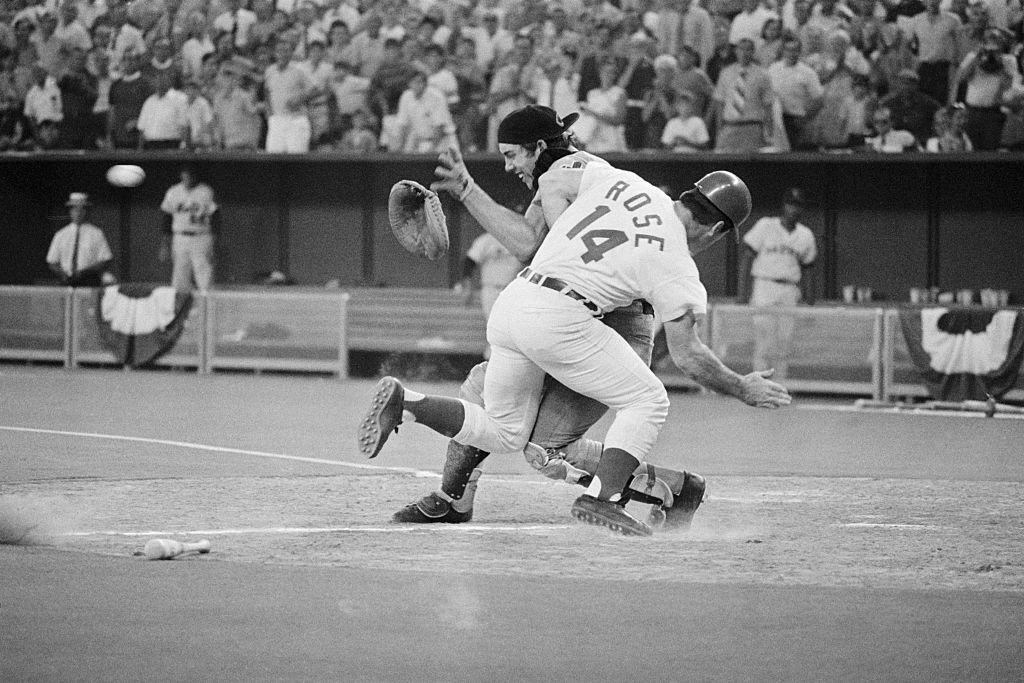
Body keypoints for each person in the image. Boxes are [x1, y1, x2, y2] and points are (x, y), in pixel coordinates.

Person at [360, 105, 791, 536]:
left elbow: (540, 216)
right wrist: (742, 388)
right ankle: (588, 499)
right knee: (646, 402)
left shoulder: (616, 179)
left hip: (532, 305)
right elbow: (688, 355)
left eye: (514, 156)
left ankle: (409, 404)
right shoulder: (675, 260)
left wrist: (473, 190)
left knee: (526, 440)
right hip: (568, 316)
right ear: (716, 232)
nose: (510, 166)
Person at [739, 187, 817, 381]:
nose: (793, 209)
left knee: (785, 341)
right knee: (763, 340)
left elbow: (808, 268)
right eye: (791, 204)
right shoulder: (766, 225)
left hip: (790, 289)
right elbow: (747, 258)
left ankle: (780, 383)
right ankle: (759, 383)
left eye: (798, 205)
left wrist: (810, 299)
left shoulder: (806, 235)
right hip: (765, 285)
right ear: (784, 206)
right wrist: (742, 293)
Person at [158, 165, 217, 292]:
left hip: (201, 236)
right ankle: (182, 310)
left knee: (204, 276)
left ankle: (206, 309)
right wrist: (164, 245)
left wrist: (214, 242)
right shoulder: (173, 192)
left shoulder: (206, 191)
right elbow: (166, 219)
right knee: (179, 278)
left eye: (191, 174)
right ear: (181, 175)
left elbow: (215, 217)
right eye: (185, 174)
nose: (188, 177)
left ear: (195, 176)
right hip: (180, 237)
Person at [46, 192, 115, 287]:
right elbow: (52, 261)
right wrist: (63, 274)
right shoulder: (60, 235)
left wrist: (84, 273)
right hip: (66, 281)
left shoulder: (96, 233)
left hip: (89, 281)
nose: (78, 213)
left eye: (81, 210)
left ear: (86, 212)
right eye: (75, 210)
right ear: (70, 211)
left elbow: (105, 259)